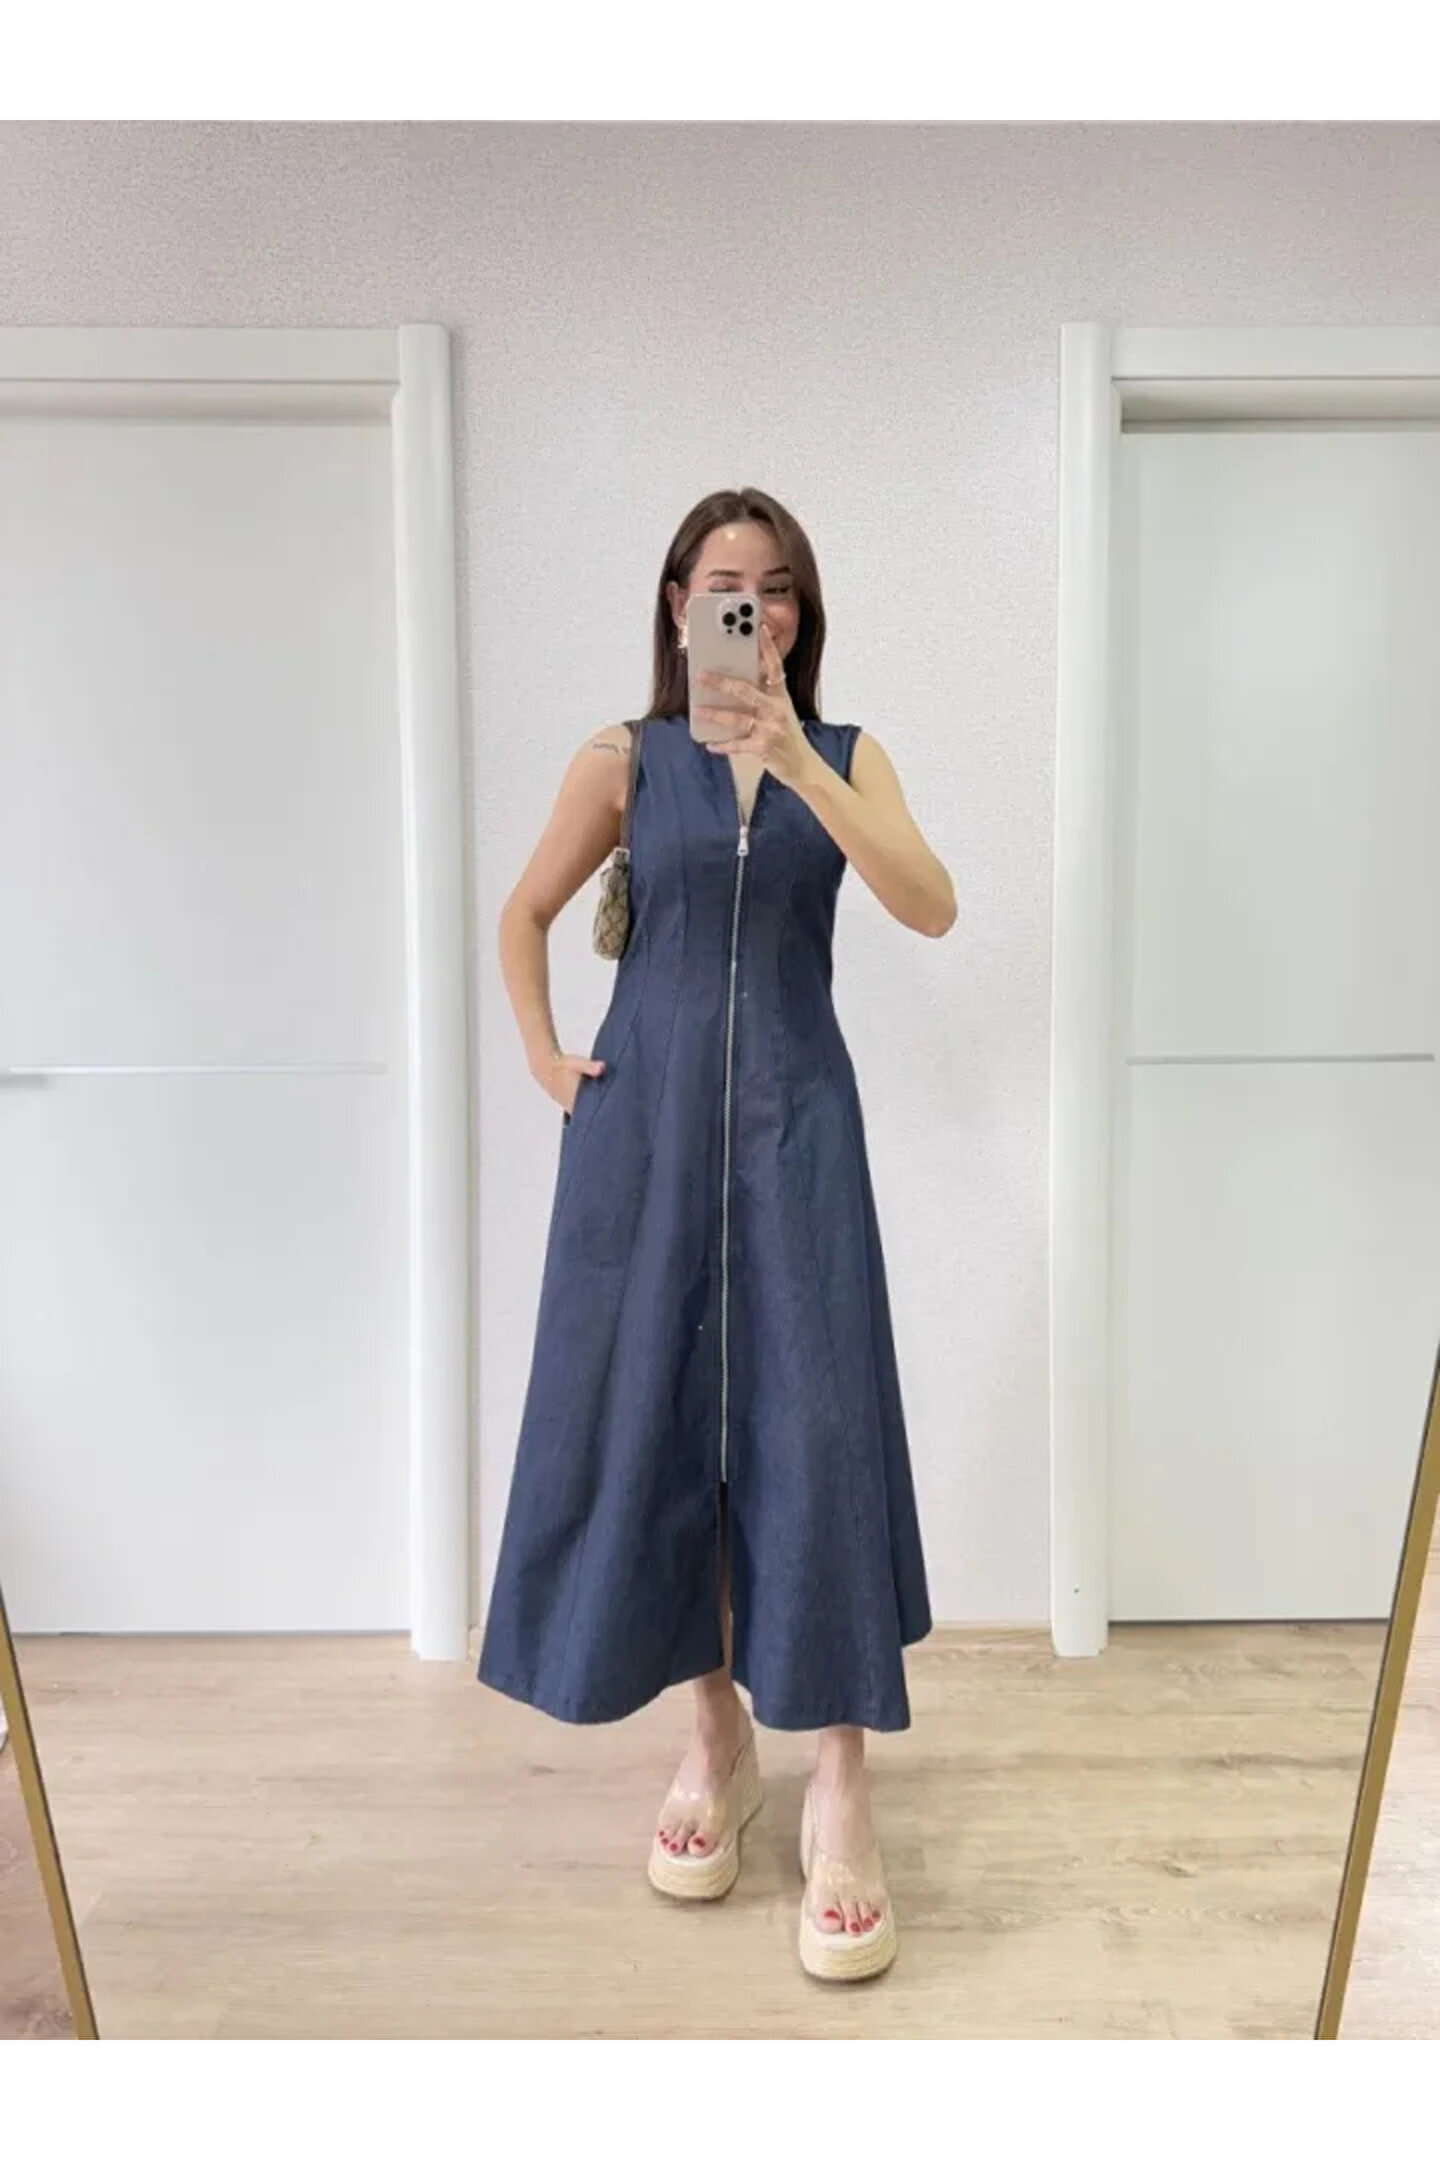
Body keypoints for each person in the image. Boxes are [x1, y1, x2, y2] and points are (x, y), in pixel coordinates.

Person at [479, 487, 954, 1982]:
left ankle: (841, 1784)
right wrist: (549, 1059)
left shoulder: (849, 755)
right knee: (665, 1421)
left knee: (818, 1432)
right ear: (680, 603)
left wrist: (800, 763)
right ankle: (716, 1737)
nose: (752, 604)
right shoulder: (622, 759)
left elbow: (930, 905)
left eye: (777, 585)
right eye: (722, 581)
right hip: (647, 1143)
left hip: (800, 1134)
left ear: (798, 615)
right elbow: (523, 913)